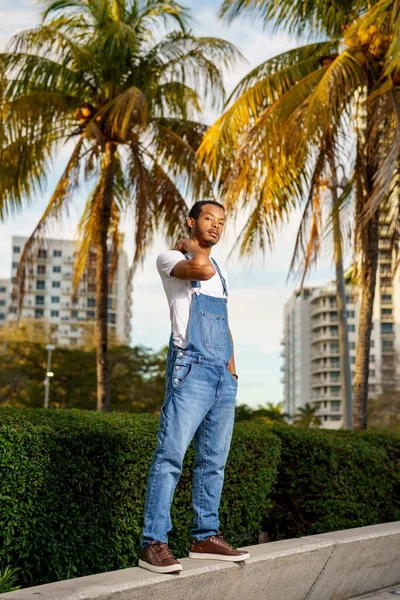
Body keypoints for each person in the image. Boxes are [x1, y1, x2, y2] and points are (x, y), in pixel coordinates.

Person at [138, 200, 250, 574]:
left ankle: (205, 536)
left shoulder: (222, 272)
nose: (216, 226)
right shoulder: (170, 259)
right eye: (208, 219)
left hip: (221, 374)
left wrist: (232, 372)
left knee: (214, 462)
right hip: (190, 369)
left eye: (221, 222)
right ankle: (153, 543)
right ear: (191, 222)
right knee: (170, 457)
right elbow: (198, 269)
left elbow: (225, 320)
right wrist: (192, 248)